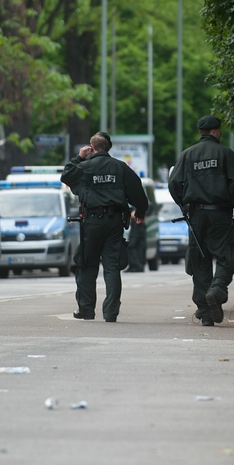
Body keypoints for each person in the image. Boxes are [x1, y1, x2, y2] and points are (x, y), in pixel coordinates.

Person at [168, 115, 234, 326]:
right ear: (215, 131)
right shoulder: (225, 154)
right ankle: (217, 290)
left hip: (195, 215)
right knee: (226, 256)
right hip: (220, 214)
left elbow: (174, 183)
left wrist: (184, 205)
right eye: (220, 130)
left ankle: (205, 312)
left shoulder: (187, 155)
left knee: (200, 260)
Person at [61, 131, 149, 322]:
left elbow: (66, 176)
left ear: (92, 148)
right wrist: (140, 213)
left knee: (85, 264)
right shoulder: (120, 168)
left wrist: (78, 157)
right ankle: (110, 312)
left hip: (91, 222)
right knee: (112, 267)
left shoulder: (85, 166)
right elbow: (138, 192)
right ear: (108, 148)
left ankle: (86, 309)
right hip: (114, 223)